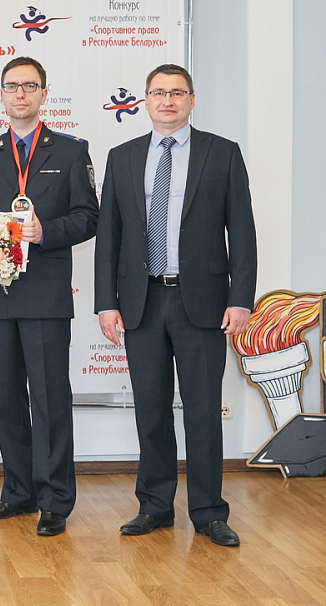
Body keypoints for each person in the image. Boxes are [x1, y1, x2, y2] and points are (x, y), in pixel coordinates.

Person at [94, 63, 257, 547]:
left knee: (203, 411)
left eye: (177, 93)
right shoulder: (122, 157)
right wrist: (106, 303)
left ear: (192, 100)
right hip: (142, 300)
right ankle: (154, 506)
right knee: (151, 408)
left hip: (203, 302)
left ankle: (208, 513)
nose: (168, 100)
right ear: (145, 100)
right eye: (159, 92)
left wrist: (241, 299)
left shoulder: (222, 153)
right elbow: (109, 236)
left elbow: (242, 231)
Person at [0, 56, 98, 536]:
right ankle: (18, 492)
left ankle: (54, 500)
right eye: (12, 86)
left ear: (44, 94)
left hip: (46, 295)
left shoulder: (70, 152)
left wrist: (44, 231)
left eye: (30, 86)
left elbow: (89, 217)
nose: (20, 94)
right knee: (7, 397)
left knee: (49, 399)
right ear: (2, 96)